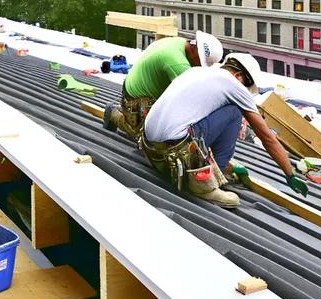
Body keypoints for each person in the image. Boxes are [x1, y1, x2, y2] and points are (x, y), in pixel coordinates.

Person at [141, 53, 309, 208]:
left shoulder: (195, 72)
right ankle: (208, 183)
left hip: (152, 153)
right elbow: (267, 138)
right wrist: (289, 174)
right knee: (235, 112)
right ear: (239, 77)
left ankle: (208, 165)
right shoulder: (234, 85)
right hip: (174, 153)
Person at [103, 31, 223, 140]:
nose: (200, 66)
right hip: (136, 99)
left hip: (138, 88)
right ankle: (114, 114)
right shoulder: (177, 63)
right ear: (194, 51)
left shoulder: (180, 43)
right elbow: (193, 99)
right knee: (151, 138)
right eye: (201, 62)